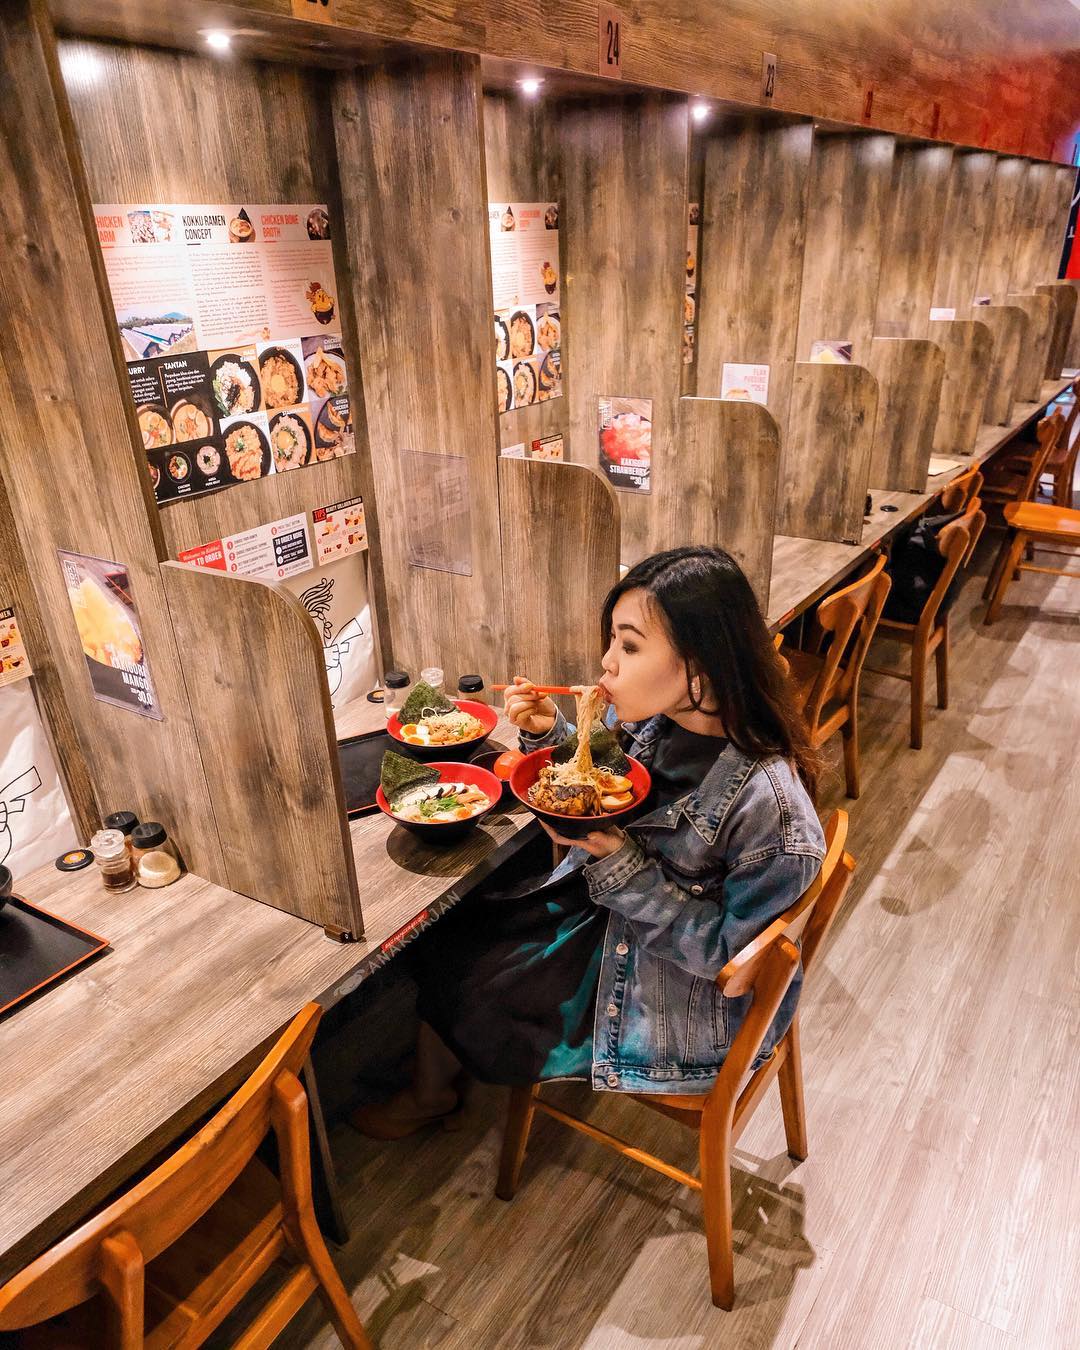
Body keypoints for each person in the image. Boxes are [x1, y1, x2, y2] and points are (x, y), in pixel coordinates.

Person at [353, 546, 825, 1139]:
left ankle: (433, 1090)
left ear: (701, 666)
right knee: (454, 933)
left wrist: (623, 864)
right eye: (613, 641)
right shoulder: (669, 722)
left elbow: (731, 965)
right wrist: (550, 731)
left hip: (675, 994)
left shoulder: (773, 812)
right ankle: (443, 1060)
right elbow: (607, 773)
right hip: (616, 920)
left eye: (629, 646)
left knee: (473, 984)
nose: (605, 663)